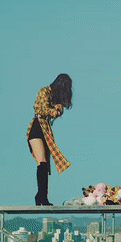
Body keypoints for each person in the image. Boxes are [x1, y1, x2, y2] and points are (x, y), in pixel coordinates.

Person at [26, 74, 73, 205]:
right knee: (42, 162)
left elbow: (60, 108)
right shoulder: (44, 91)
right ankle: (40, 197)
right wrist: (53, 112)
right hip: (37, 126)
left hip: (45, 129)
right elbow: (39, 108)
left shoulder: (55, 98)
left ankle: (42, 197)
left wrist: (56, 110)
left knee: (45, 165)